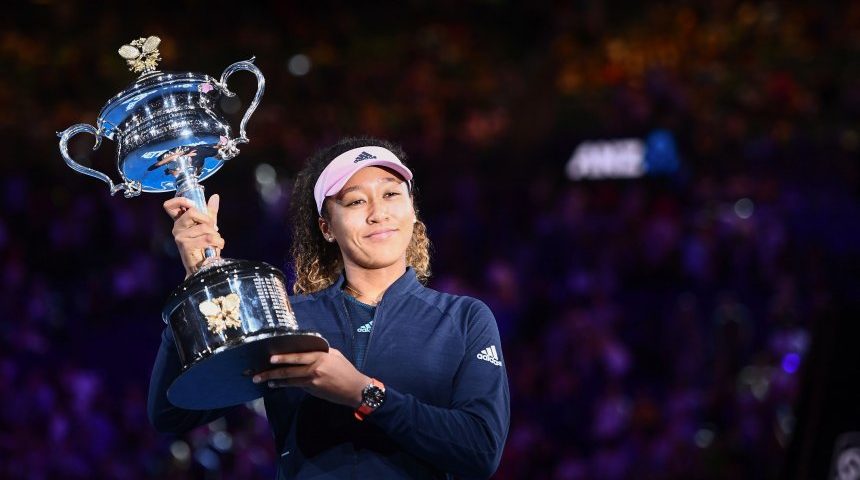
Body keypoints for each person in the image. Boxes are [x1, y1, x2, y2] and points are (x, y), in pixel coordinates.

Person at [147, 137, 510, 479]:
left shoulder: (464, 319)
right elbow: (172, 412)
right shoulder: (285, 319)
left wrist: (362, 393)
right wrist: (198, 283)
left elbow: (481, 450)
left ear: (412, 210)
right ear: (327, 228)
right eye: (355, 202)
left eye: (391, 194)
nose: (378, 213)